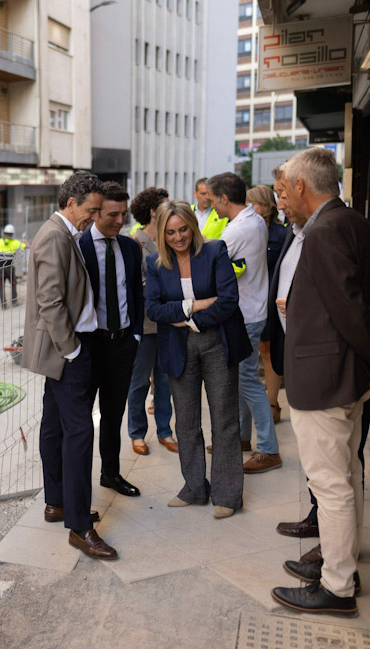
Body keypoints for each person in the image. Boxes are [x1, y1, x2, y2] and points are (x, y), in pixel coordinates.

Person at [271, 148, 370, 617]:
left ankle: (337, 588)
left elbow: (350, 309)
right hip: (347, 379)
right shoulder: (356, 223)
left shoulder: (325, 231)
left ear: (303, 187)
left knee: (330, 485)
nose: (281, 199)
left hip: (326, 380)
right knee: (346, 477)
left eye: (284, 190)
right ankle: (340, 565)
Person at [21, 171, 117, 560]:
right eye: (91, 211)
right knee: (79, 436)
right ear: (70, 202)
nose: (94, 219)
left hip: (67, 350)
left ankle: (58, 502)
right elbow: (50, 302)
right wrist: (73, 350)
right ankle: (79, 526)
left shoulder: (62, 233)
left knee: (55, 427)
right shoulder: (54, 236)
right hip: (68, 352)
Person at [145, 200, 251, 518]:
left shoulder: (215, 251)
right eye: (171, 232)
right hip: (178, 348)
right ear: (162, 235)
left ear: (193, 226)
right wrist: (194, 306)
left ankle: (227, 494)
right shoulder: (155, 263)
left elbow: (228, 300)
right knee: (187, 423)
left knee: (225, 421)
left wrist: (187, 318)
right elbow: (153, 309)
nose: (179, 238)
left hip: (217, 342)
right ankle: (194, 488)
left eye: (183, 230)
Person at [208, 173, 280, 475]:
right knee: (242, 376)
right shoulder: (254, 220)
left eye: (213, 200)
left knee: (247, 380)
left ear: (225, 199)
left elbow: (208, 264)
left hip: (247, 313)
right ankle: (240, 438)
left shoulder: (238, 230)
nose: (212, 207)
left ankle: (269, 449)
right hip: (252, 310)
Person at [79, 181, 143, 498]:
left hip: (123, 344)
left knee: (113, 413)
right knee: (80, 420)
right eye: (112, 215)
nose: (119, 221)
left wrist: (135, 335)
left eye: (123, 214)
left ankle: (111, 474)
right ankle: (75, 488)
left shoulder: (130, 247)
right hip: (90, 346)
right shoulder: (79, 248)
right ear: (96, 212)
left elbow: (135, 292)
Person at [125, 187, 177, 456]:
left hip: (168, 323)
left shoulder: (169, 240)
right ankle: (136, 433)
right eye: (167, 206)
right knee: (140, 381)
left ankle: (165, 431)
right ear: (154, 212)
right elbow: (139, 285)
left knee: (165, 380)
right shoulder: (137, 243)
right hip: (145, 324)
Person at [249, 181, 288, 424]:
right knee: (253, 353)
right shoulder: (245, 229)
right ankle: (256, 403)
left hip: (272, 301)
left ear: (264, 205)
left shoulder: (282, 233)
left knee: (269, 351)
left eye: (251, 203)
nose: (247, 207)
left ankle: (273, 404)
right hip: (251, 301)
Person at [0, 224, 25, 309]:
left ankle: (3, 305)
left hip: (0, 268)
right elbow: (26, 246)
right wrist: (24, 242)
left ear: (4, 233)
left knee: (1, 286)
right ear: (12, 234)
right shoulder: (15, 242)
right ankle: (14, 301)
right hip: (9, 268)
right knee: (13, 284)